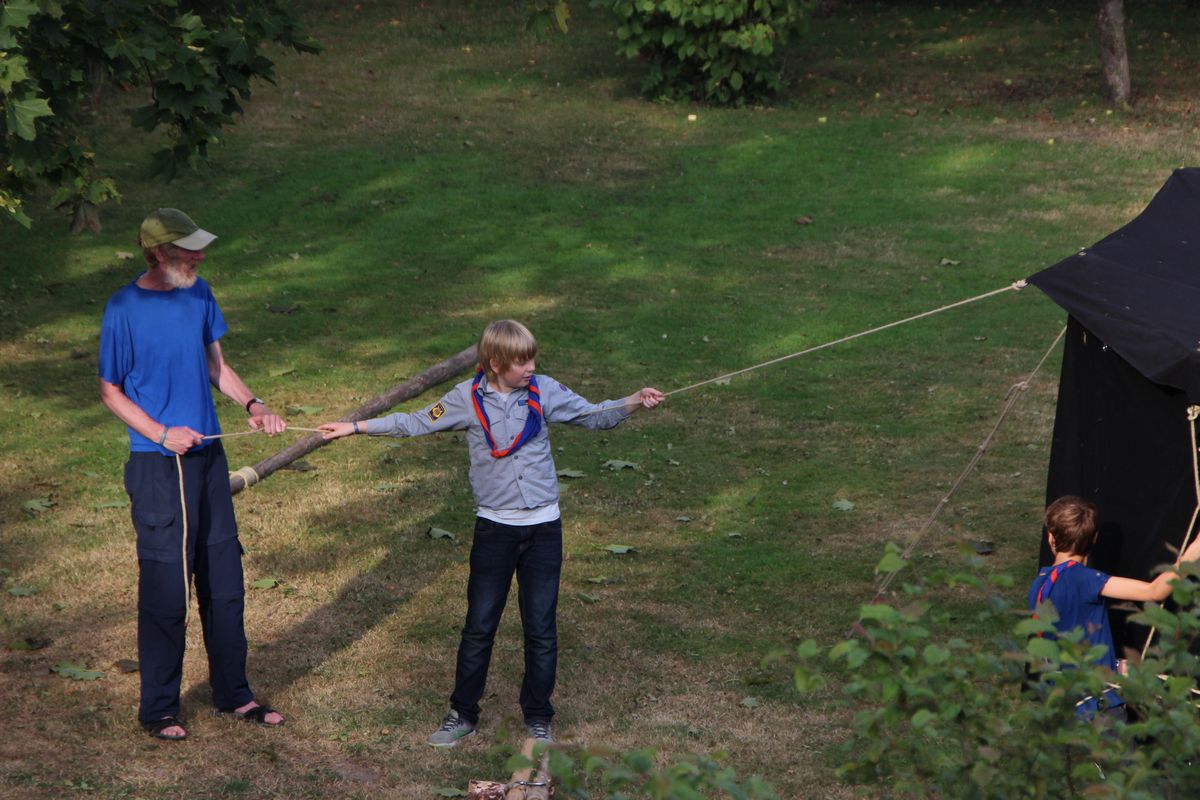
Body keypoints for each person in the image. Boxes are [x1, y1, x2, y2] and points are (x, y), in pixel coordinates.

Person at [319, 319, 664, 747]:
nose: (531, 367)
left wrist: (633, 400)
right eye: (521, 362)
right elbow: (416, 422)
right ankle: (462, 713)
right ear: (495, 364)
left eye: (532, 358)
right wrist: (355, 427)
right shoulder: (464, 399)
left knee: (541, 628)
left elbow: (594, 417)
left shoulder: (544, 391)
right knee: (480, 625)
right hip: (495, 531)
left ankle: (538, 717)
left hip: (543, 529)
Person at [99, 208, 287, 741]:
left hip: (207, 460)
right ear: (160, 253)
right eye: (190, 249)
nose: (201, 256)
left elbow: (215, 365)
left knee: (224, 583)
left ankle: (235, 694)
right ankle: (159, 709)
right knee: (167, 591)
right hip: (159, 467)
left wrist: (252, 403)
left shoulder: (199, 293)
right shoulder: (124, 308)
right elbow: (110, 390)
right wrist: (161, 433)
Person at [1029, 495, 1200, 718]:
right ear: (1094, 539)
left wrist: (1116, 666)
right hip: (1098, 712)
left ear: (1050, 537)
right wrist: (1194, 550)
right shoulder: (1085, 580)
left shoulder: (1040, 583)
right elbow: (1154, 591)